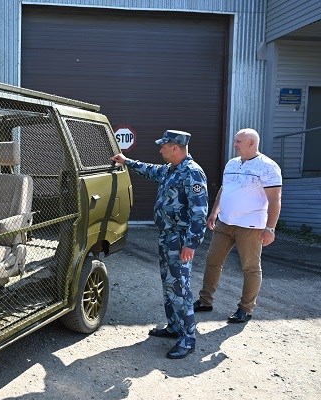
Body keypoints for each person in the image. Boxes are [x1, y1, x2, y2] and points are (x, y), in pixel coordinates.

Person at [112, 130, 208, 359]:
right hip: (167, 236)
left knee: (180, 288)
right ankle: (174, 326)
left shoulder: (192, 173)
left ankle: (188, 339)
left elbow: (199, 212)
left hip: (180, 239)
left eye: (163, 146)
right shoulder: (169, 169)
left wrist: (191, 244)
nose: (160, 149)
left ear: (175, 148)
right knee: (168, 284)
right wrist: (126, 161)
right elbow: (149, 169)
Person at [193, 128, 282, 323]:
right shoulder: (232, 163)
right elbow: (224, 189)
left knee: (250, 268)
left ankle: (245, 309)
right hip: (225, 223)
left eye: (238, 142)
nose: (235, 145)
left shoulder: (268, 167)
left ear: (251, 143)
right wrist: (214, 212)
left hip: (250, 227)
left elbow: (275, 200)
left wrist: (270, 228)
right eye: (235, 141)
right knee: (212, 261)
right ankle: (205, 301)